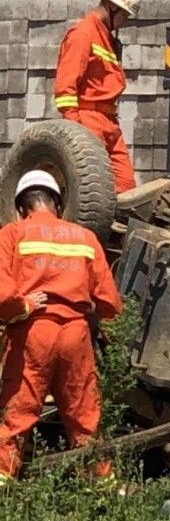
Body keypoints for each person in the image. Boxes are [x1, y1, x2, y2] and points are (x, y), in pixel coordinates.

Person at [0, 171, 122, 482]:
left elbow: (2, 294)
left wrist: (23, 306)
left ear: (22, 208)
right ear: (56, 202)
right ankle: (102, 493)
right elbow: (109, 302)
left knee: (17, 417)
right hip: (75, 335)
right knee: (85, 420)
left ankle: (3, 491)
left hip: (32, 333)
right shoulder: (84, 238)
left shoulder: (12, 235)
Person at [54, 0, 142, 194]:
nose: (125, 20)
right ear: (112, 6)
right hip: (88, 120)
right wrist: (75, 130)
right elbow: (65, 86)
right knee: (94, 190)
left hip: (109, 122)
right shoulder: (83, 33)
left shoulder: (105, 37)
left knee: (125, 186)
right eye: (125, 15)